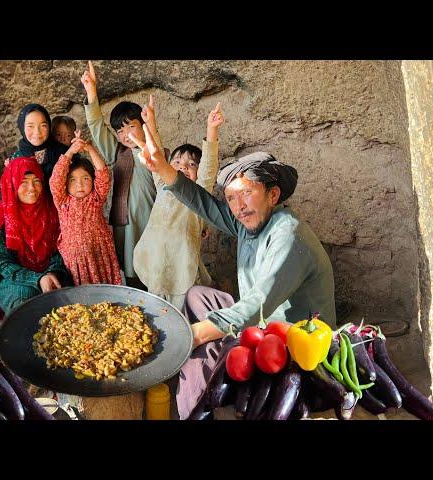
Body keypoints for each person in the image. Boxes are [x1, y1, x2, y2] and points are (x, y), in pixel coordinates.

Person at [128, 124, 336, 419]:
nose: (239, 207)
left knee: (203, 351)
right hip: (261, 322)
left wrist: (196, 334)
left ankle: (194, 412)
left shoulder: (288, 237)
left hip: (291, 342)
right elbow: (203, 204)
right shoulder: (248, 220)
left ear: (273, 195)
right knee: (197, 295)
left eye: (247, 193)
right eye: (232, 198)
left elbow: (255, 306)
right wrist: (163, 168)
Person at [81, 61, 168, 289]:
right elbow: (98, 126)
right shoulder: (118, 152)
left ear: (143, 125)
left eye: (131, 127)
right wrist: (91, 91)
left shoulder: (157, 152)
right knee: (130, 271)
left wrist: (152, 126)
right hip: (125, 225)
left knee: (155, 269)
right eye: (120, 130)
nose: (125, 135)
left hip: (151, 222)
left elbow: (156, 152)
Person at [133, 102, 225, 311]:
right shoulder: (162, 184)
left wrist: (212, 131)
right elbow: (157, 158)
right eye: (177, 162)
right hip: (156, 261)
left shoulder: (199, 193)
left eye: (191, 164)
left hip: (182, 264)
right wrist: (151, 123)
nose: (183, 166)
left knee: (181, 311)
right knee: (155, 309)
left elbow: (209, 167)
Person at [0, 156, 71, 331]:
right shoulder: (2, 217)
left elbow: (60, 250)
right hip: (16, 281)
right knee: (26, 301)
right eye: (24, 182)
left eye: (36, 181)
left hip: (52, 274)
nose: (31, 188)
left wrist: (52, 273)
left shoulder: (51, 211)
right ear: (12, 184)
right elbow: (4, 263)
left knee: (70, 303)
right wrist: (38, 279)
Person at [49, 130, 122, 286]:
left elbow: (103, 174)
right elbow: (55, 179)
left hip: (99, 254)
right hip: (76, 260)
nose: (79, 185)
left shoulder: (95, 198)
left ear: (93, 180)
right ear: (66, 182)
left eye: (85, 178)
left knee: (104, 292)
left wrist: (89, 149)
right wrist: (70, 152)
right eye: (73, 180)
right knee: (81, 297)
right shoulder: (63, 202)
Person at [5, 104, 68, 183]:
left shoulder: (65, 153)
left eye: (43, 125)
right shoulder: (15, 160)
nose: (37, 132)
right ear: (22, 127)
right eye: (30, 126)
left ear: (49, 126)